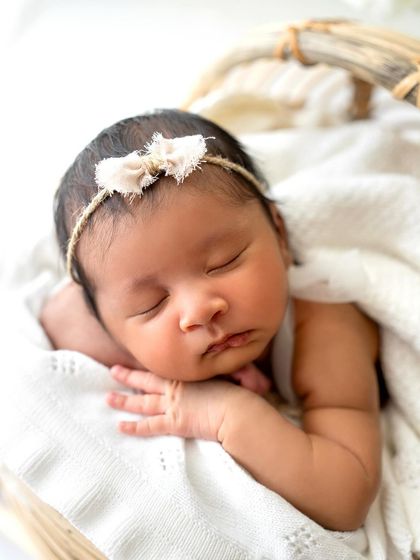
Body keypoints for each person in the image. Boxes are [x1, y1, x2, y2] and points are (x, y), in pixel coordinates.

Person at [41, 109, 381, 532]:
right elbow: (60, 316)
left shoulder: (324, 328)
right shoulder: (112, 318)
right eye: (152, 304)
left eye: (223, 263)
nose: (199, 309)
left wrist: (226, 412)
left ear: (280, 235)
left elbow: (345, 497)